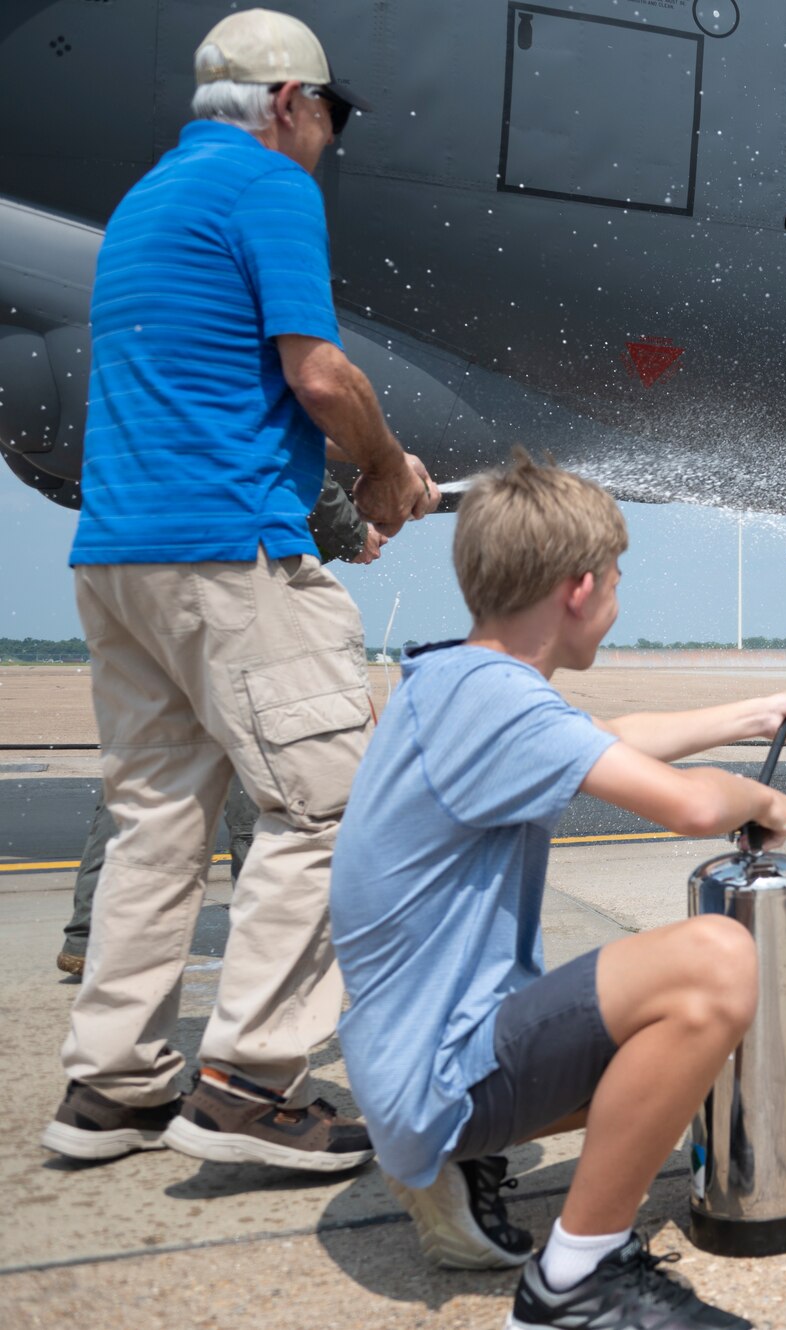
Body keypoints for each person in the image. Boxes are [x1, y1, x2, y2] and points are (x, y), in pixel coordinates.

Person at [40, 9, 438, 1172]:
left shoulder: (146, 204)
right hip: (227, 560)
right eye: (331, 115)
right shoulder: (271, 187)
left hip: (120, 563)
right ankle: (251, 1082)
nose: (329, 138)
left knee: (158, 824)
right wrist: (380, 469)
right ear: (286, 103)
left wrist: (329, 492)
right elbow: (317, 372)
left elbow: (197, 398)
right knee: (330, 810)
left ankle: (111, 1086)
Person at [331, 452, 786, 1330]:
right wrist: (764, 796)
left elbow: (612, 735)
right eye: (620, 581)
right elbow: (696, 805)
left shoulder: (451, 680)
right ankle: (575, 1284)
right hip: (438, 1075)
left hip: (401, 1060)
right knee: (714, 965)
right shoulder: (503, 706)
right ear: (581, 589)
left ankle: (464, 1166)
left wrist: (754, 714)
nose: (622, 602)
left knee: (669, 1067)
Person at [55, 476, 386, 975]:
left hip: (121, 557)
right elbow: (293, 445)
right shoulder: (245, 402)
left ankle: (94, 935)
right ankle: (272, 948)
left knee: (146, 769)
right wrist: (352, 528)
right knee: (267, 772)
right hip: (228, 565)